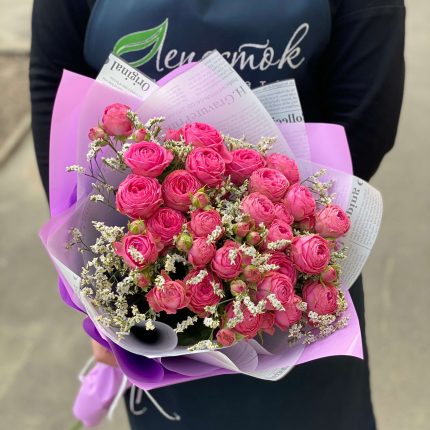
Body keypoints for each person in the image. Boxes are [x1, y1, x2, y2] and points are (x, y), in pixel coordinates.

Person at [30, 1, 405, 429]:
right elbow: (53, 87)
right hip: (143, 290)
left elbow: (364, 119)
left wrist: (274, 228)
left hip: (291, 281)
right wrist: (93, 283)